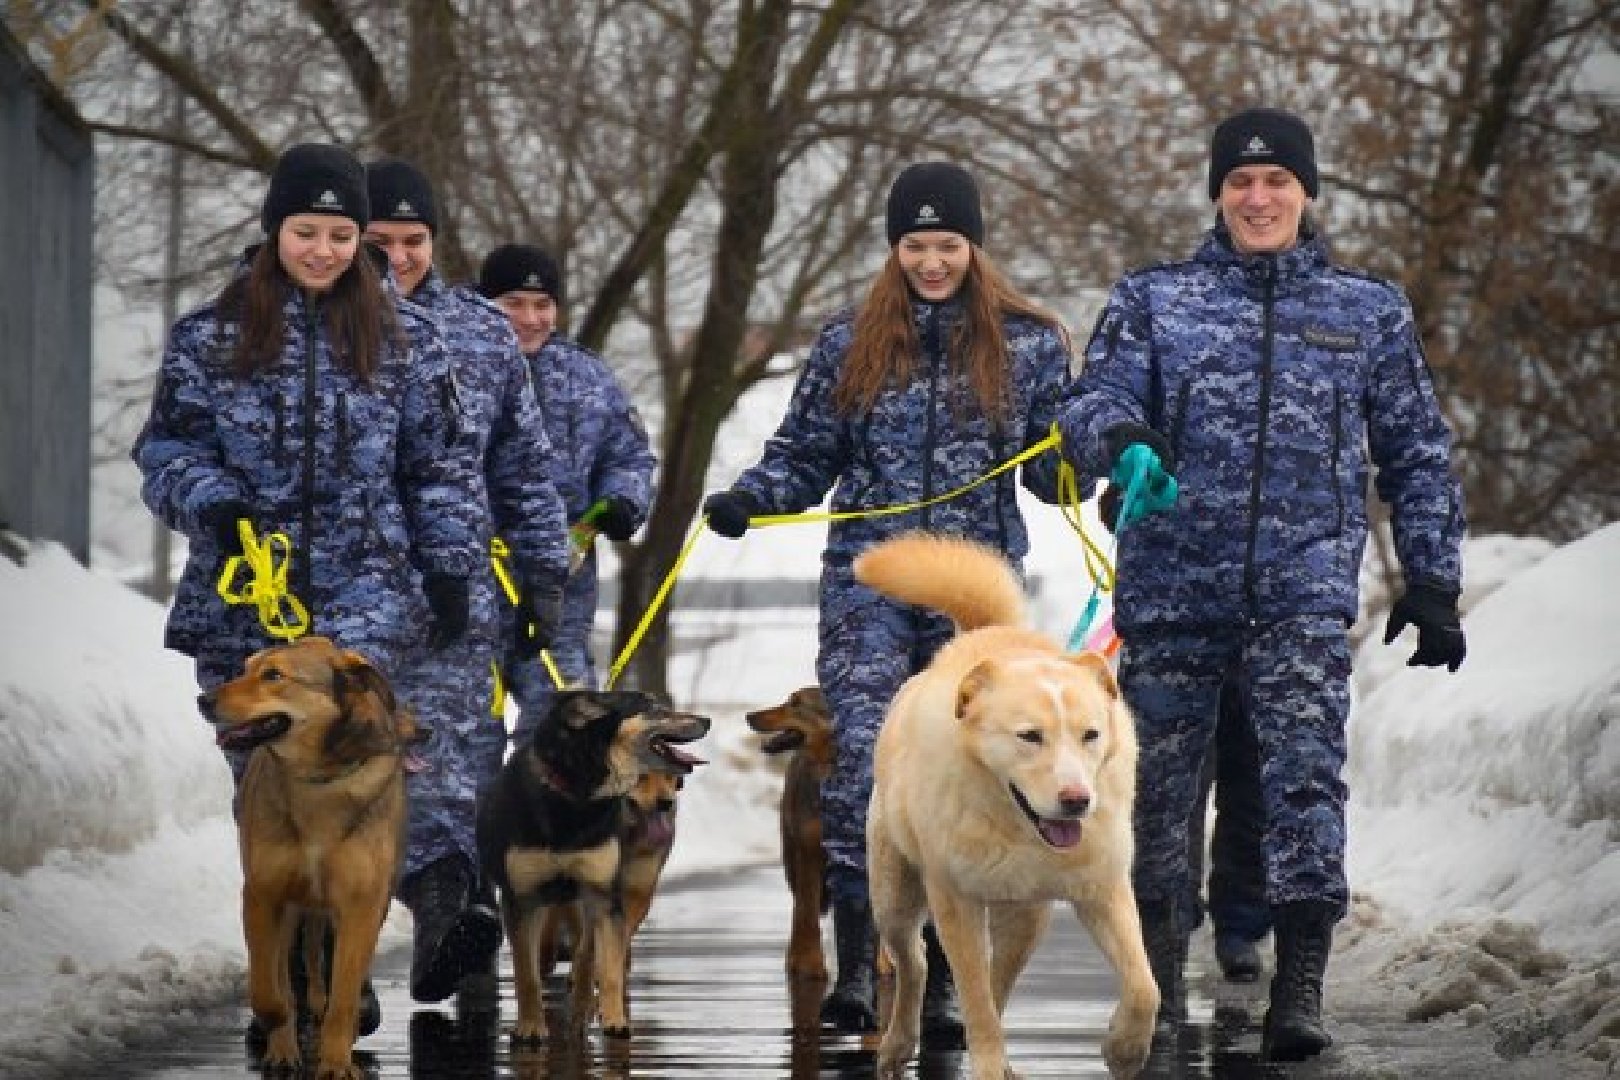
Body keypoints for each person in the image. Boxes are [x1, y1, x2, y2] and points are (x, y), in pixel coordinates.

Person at [1058, 107, 1467, 1060]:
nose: (1258, 198)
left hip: (1301, 594)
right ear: (1218, 193)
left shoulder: (1366, 311)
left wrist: (1434, 578)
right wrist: (1123, 437)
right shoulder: (1155, 300)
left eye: (1276, 180)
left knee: (1304, 785)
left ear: (1306, 191)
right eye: (1240, 182)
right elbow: (1092, 402)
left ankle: (1300, 988)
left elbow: (1416, 450)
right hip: (1173, 591)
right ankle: (1156, 984)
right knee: (1153, 798)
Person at [701, 162, 1079, 1045]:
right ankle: (862, 969)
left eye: (948, 244)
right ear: (894, 248)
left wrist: (1075, 471)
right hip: (868, 585)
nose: (932, 261)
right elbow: (805, 450)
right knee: (866, 759)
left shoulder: (1029, 343)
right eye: (915, 245)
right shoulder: (850, 340)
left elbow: (1053, 459)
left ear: (973, 247)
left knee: (968, 775)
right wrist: (751, 495)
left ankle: (945, 980)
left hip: (974, 594)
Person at [133, 142, 485, 1037]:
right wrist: (210, 501)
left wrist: (449, 566)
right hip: (248, 594)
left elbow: (441, 466)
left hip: (370, 586)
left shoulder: (407, 339)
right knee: (266, 786)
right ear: (274, 230)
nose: (324, 251)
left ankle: (339, 970)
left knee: (359, 772)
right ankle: (292, 974)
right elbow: (166, 449)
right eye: (306, 231)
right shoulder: (210, 336)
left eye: (340, 234)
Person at [364, 160, 572, 1007]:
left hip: (449, 594)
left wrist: (544, 574)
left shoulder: (480, 334)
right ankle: (331, 962)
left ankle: (446, 927)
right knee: (341, 773)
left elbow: (522, 467)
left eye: (414, 240)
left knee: (449, 769)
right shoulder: (312, 325)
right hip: (335, 588)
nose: (399, 258)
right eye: (380, 241)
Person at [476, 243, 657, 738]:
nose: (530, 319)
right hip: (468, 596)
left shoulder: (586, 375)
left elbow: (630, 456)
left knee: (570, 734)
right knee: (465, 744)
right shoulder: (455, 365)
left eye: (543, 305)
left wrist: (622, 501)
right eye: (513, 304)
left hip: (560, 598)